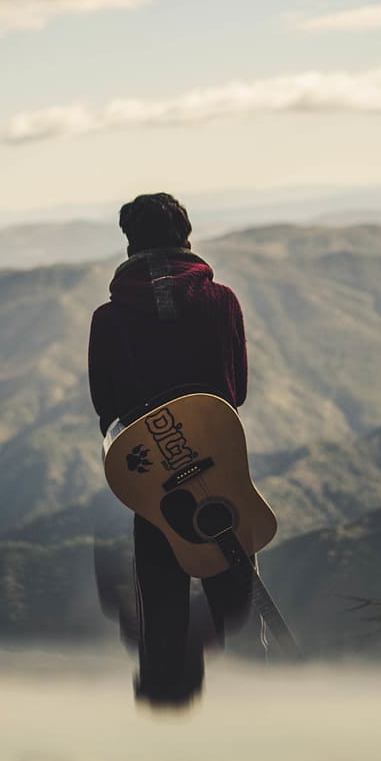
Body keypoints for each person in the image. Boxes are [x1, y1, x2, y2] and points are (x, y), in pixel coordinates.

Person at [87, 192, 256, 706]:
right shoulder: (221, 301)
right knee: (236, 591)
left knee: (160, 590)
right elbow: (235, 392)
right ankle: (242, 689)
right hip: (217, 465)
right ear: (186, 237)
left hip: (153, 476)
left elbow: (106, 408)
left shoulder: (109, 320)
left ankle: (164, 682)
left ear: (130, 244)